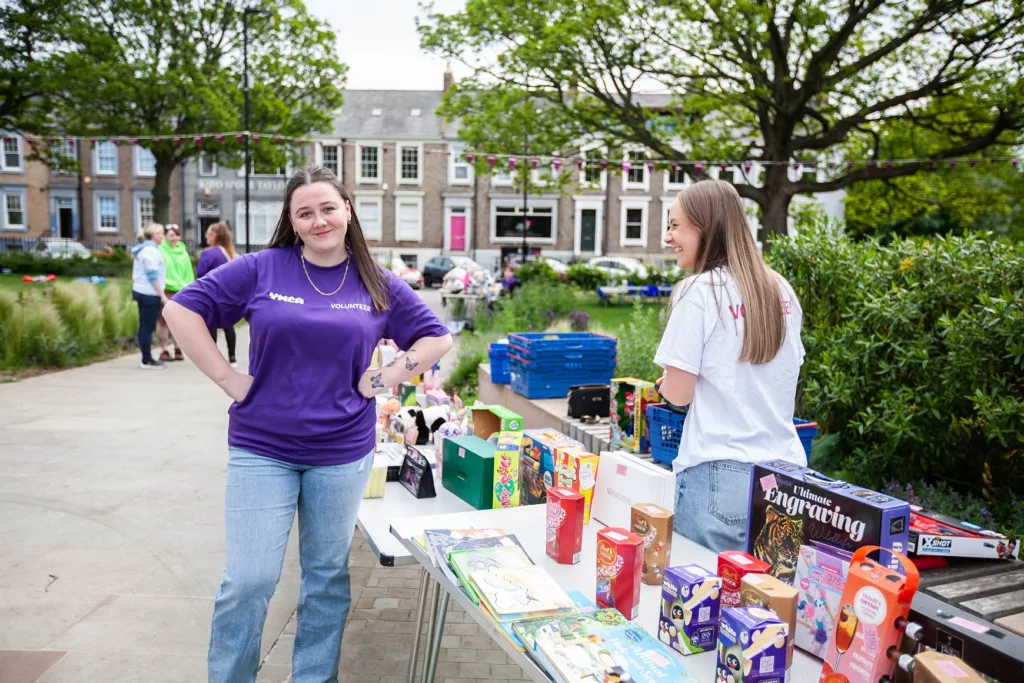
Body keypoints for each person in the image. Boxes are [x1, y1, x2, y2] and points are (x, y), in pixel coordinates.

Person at [163, 165, 452, 683]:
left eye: (327, 208)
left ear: (347, 212)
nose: (319, 220)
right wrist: (230, 378)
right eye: (305, 212)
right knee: (248, 580)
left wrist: (384, 379)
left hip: (342, 452)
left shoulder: (375, 281)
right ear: (293, 222)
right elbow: (183, 310)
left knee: (325, 578)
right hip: (262, 447)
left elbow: (435, 338)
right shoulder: (261, 268)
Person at [655, 179, 805, 553]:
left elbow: (678, 392)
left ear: (704, 228)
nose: (667, 237)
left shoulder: (698, 292)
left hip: (719, 478)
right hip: (785, 476)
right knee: (763, 604)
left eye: (675, 226)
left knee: (703, 603)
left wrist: (663, 384)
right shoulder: (780, 289)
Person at [196, 221, 238, 366]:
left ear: (215, 236)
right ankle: (232, 357)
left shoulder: (208, 253)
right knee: (228, 326)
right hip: (228, 293)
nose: (206, 236)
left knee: (211, 325)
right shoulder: (230, 252)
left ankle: (212, 359)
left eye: (209, 233)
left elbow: (200, 272)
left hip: (211, 293)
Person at [131, 223, 169, 370]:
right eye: (160, 233)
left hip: (144, 291)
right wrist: (162, 295)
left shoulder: (147, 249)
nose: (163, 235)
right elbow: (152, 275)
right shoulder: (150, 251)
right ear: (154, 235)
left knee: (145, 326)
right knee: (147, 327)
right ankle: (147, 359)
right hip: (149, 292)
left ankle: (146, 357)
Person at [157, 224, 195, 361]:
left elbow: (188, 271)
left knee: (178, 322)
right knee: (163, 321)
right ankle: (164, 349)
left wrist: (189, 287)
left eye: (176, 235)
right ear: (166, 236)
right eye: (171, 235)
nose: (174, 238)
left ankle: (178, 347)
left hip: (181, 290)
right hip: (167, 289)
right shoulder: (160, 250)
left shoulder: (183, 252)